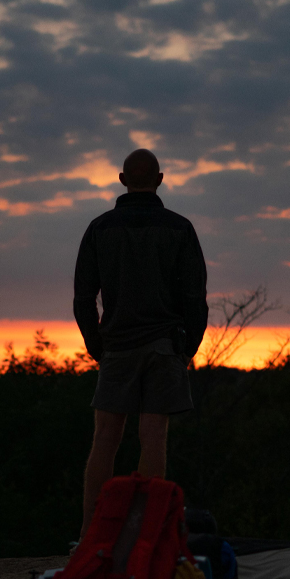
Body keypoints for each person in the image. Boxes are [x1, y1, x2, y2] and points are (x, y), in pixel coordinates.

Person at [72, 149, 209, 538]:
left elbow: (84, 297)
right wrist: (187, 350)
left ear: (121, 179)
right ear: (161, 179)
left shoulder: (99, 228)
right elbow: (195, 297)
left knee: (105, 440)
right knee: (154, 439)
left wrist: (97, 346)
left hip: (117, 347)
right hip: (165, 347)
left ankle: (90, 534)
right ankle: (145, 535)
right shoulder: (180, 229)